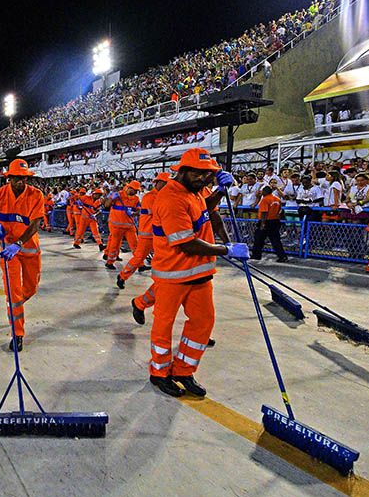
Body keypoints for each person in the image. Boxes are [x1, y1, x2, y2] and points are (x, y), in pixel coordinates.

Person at [147, 148, 249, 398]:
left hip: (199, 275)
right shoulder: (171, 198)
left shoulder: (194, 192)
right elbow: (186, 243)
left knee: (203, 322)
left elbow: (203, 209)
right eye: (201, 175)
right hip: (173, 275)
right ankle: (159, 373)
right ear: (183, 171)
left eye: (210, 175)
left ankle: (183, 370)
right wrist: (227, 249)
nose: (206, 179)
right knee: (164, 326)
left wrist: (220, 192)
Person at [0, 159, 44, 352]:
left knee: (30, 290)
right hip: (9, 254)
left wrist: (19, 244)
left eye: (23, 178)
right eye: (16, 178)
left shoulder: (36, 195)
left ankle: (12, 306)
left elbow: (35, 225)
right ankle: (18, 333)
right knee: (14, 295)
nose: (20, 182)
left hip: (29, 251)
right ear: (10, 178)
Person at [117, 172, 169, 289]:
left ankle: (163, 282)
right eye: (166, 183)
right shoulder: (150, 197)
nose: (168, 186)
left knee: (164, 258)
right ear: (159, 183)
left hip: (159, 235)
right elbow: (160, 213)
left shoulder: (163, 196)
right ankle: (122, 276)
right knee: (139, 257)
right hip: (148, 234)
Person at [103, 180, 141, 269]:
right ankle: (110, 262)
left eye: (137, 191)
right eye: (134, 190)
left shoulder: (136, 199)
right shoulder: (118, 195)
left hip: (129, 226)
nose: (135, 192)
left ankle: (140, 264)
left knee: (135, 245)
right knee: (114, 245)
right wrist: (111, 198)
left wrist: (134, 213)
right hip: (116, 226)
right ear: (129, 188)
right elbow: (106, 205)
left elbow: (139, 210)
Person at [252, 185, 288, 262]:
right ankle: (282, 256)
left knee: (258, 239)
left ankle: (256, 255)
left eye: (263, 191)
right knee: (276, 240)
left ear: (265, 191)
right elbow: (280, 210)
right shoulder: (277, 199)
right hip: (275, 220)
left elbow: (264, 212)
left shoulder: (265, 199)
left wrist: (262, 224)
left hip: (266, 221)